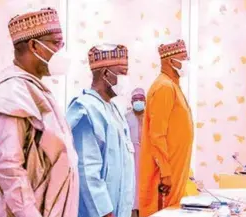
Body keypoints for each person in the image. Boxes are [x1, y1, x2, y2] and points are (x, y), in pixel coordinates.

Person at [0, 8, 79, 217]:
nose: (62, 50)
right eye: (56, 43)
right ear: (35, 46)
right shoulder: (10, 95)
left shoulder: (31, 89)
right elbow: (8, 167)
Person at [67, 44, 134, 217]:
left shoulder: (114, 109)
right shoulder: (86, 109)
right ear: (105, 74)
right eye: (123, 73)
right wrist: (104, 211)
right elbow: (86, 170)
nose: (126, 79)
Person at [138, 39, 194, 217]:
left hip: (176, 165)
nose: (187, 62)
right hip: (166, 173)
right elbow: (157, 134)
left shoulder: (173, 86)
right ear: (170, 61)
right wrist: (166, 172)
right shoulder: (164, 87)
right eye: (183, 58)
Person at [125, 88, 146, 217]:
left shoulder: (151, 116)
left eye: (140, 100)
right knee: (132, 186)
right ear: (131, 102)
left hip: (146, 155)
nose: (138, 102)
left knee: (145, 186)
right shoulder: (126, 117)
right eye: (135, 100)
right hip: (131, 156)